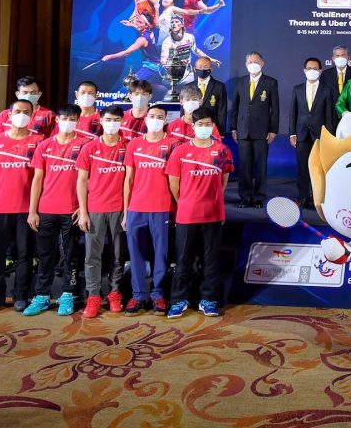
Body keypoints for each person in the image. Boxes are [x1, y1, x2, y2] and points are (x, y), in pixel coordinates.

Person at [0, 99, 44, 314]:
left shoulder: (39, 141)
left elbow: (41, 178)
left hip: (26, 209)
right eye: (17, 111)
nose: (21, 115)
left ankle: (21, 296)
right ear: (9, 115)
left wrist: (35, 210)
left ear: (32, 116)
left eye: (26, 112)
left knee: (25, 254)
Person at [166, 111, 234, 319]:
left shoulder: (222, 150)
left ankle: (208, 299)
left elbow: (224, 179)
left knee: (210, 260)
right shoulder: (180, 151)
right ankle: (179, 300)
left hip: (214, 214)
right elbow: (174, 184)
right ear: (193, 126)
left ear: (213, 126)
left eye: (208, 124)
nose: (204, 127)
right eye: (200, 124)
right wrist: (185, 202)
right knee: (183, 259)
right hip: (187, 214)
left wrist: (214, 199)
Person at [23, 104, 85, 317]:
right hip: (46, 209)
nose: (68, 122)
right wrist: (33, 210)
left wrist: (83, 207)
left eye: (73, 119)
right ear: (57, 120)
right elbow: (37, 180)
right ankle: (41, 296)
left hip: (72, 211)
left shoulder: (85, 145)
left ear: (78, 121)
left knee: (70, 255)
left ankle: (68, 294)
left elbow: (88, 180)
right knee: (45, 255)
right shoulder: (44, 146)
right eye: (64, 118)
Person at [75, 105, 128, 318]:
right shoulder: (89, 147)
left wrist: (127, 212)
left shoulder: (129, 146)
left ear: (122, 122)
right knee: (92, 256)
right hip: (95, 209)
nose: (112, 124)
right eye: (108, 119)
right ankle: (94, 296)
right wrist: (83, 211)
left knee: (117, 256)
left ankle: (114, 293)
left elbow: (131, 181)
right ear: (101, 121)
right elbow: (81, 180)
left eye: (116, 120)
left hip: (119, 209)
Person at [121, 103, 174, 315]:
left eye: (160, 117)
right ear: (145, 119)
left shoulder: (173, 144)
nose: (155, 120)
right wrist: (126, 212)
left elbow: (176, 180)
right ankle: (138, 295)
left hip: (162, 208)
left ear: (165, 120)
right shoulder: (134, 144)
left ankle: (158, 295)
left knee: (161, 254)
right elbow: (128, 179)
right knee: (136, 255)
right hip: (136, 208)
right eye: (152, 116)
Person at [229, 52, 279, 208]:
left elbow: (275, 109)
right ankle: (245, 197)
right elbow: (235, 106)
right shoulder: (241, 82)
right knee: (245, 166)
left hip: (262, 131)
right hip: (243, 130)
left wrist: (273, 130)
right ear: (246, 65)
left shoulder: (270, 82)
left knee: (260, 166)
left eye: (256, 61)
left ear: (262, 63)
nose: (253, 64)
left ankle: (259, 197)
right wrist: (233, 128)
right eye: (250, 62)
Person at [289, 57, 335, 209]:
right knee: (302, 168)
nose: (312, 71)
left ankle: (318, 197)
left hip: (319, 136)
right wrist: (292, 133)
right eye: (309, 68)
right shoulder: (297, 89)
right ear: (304, 71)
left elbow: (329, 116)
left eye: (315, 69)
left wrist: (328, 137)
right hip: (301, 134)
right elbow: (293, 113)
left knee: (319, 168)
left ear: (320, 71)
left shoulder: (327, 90)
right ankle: (303, 197)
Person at [192, 55, 228, 136]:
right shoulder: (189, 86)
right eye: (200, 67)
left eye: (205, 67)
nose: (202, 69)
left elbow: (222, 111)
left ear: (211, 69)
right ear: (195, 69)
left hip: (212, 129)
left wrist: (221, 132)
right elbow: (184, 111)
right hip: (192, 129)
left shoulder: (219, 86)